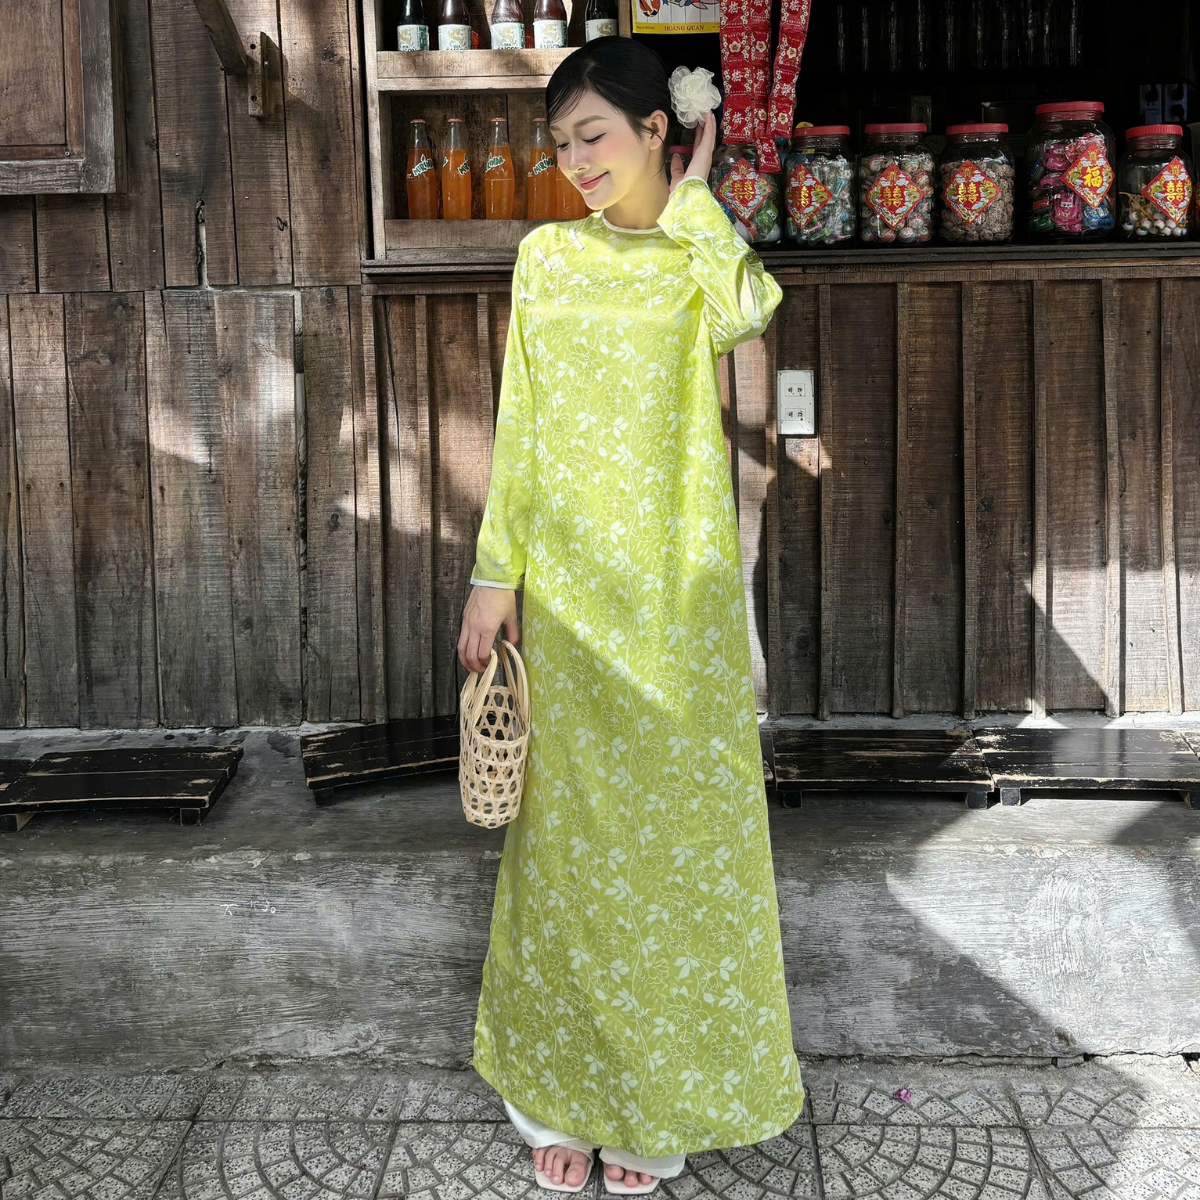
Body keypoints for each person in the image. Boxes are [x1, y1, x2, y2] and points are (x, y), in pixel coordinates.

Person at [456, 36, 805, 1197]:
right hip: (567, 595)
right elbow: (520, 423)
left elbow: (749, 310)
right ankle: (556, 1096)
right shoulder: (547, 258)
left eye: (594, 134)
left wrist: (697, 198)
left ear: (660, 128)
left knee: (678, 850)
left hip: (677, 597)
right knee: (564, 847)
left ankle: (655, 1106)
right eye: (560, 144)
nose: (575, 162)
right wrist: (495, 575)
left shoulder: (699, 258)